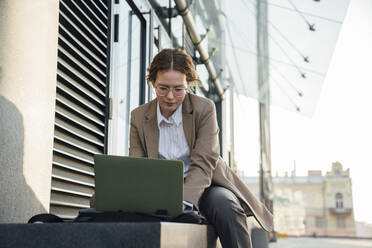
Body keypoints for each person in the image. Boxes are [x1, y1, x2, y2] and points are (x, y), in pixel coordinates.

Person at [129, 48, 272, 248]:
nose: (170, 96)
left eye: (178, 89)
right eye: (163, 88)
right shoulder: (138, 116)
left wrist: (184, 202)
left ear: (188, 85)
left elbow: (205, 162)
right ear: (153, 82)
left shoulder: (204, 109)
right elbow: (137, 164)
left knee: (226, 206)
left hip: (205, 185)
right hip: (159, 188)